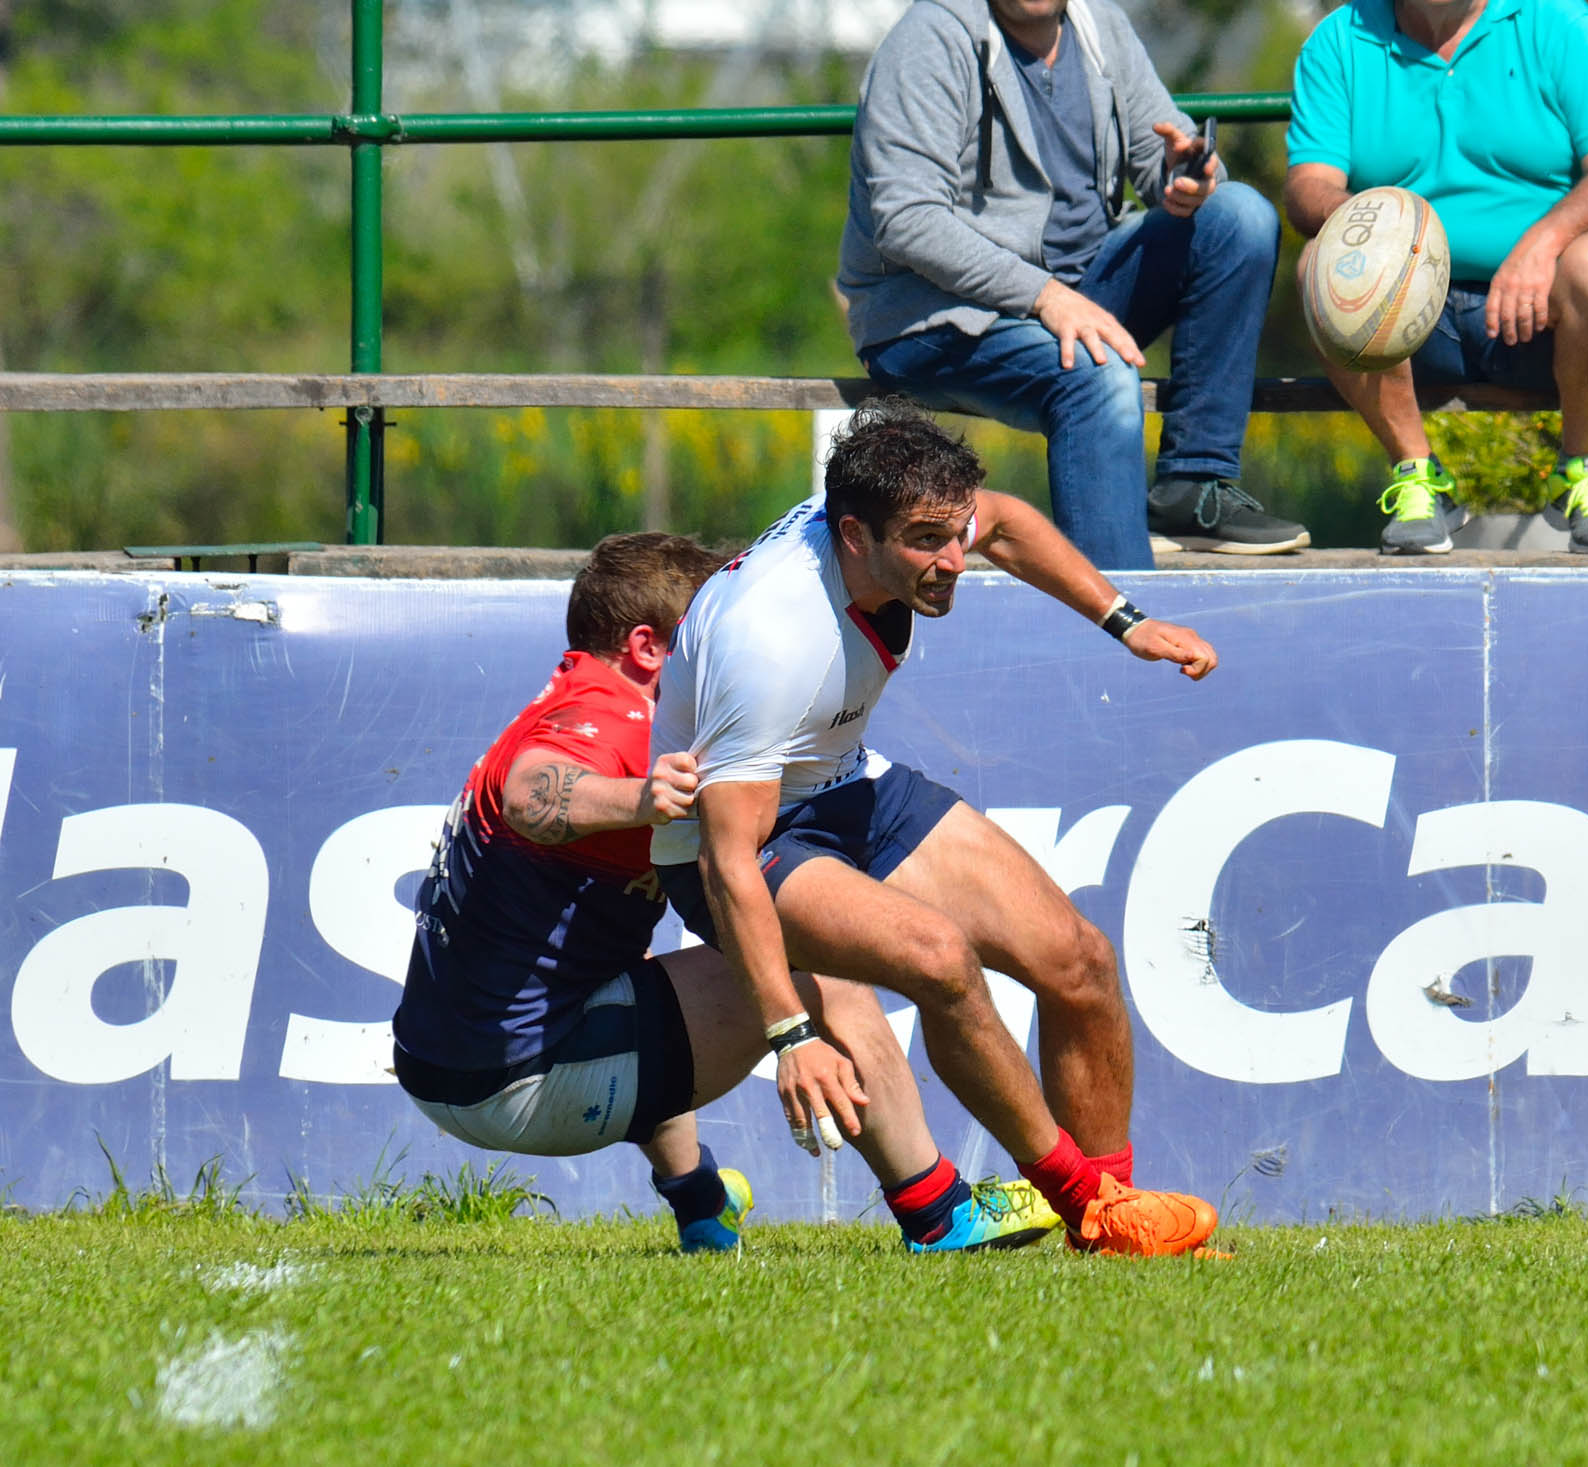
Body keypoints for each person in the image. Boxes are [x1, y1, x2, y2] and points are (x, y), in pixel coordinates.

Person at [650, 397, 1227, 1258]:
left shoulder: (907, 512)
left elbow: (1008, 524)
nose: (955, 558)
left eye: (957, 533)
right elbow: (728, 859)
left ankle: (1115, 1216)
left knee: (1079, 960)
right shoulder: (769, 636)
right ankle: (1091, 1209)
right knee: (940, 957)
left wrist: (1129, 623)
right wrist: (790, 1033)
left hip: (842, 783)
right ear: (854, 536)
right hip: (730, 843)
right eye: (928, 541)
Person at [392, 532, 1057, 1254]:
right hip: (518, 1081)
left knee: (646, 983)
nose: (721, 650)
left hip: (443, 1068)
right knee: (810, 962)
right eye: (704, 634)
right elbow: (530, 793)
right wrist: (637, 798)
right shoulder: (616, 720)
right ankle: (940, 1214)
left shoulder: (573, 695)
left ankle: (702, 1204)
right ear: (647, 648)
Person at [837, 0, 1309, 569]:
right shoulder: (930, 40)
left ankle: (1194, 485)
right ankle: (1117, 608)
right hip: (933, 315)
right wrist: (1044, 296)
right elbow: (907, 221)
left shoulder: (1099, 25)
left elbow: (1157, 153)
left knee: (1238, 216)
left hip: (1077, 292)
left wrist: (1187, 177)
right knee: (1097, 373)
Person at [1284, 0, 1588, 555]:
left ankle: (1582, 470)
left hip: (1541, 314)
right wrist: (1376, 229)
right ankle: (1417, 476)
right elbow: (1308, 186)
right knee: (1320, 265)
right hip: (1405, 315)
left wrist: (1541, 245)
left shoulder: (1558, 21)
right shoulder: (1338, 40)